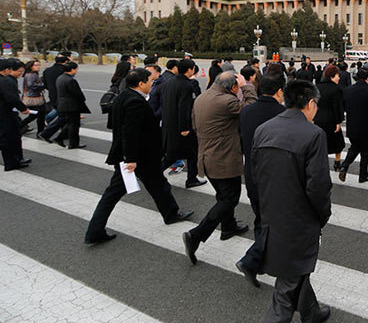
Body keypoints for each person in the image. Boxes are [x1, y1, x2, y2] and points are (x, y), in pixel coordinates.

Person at [239, 80, 333, 323]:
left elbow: (252, 175)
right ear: (309, 104)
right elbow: (318, 187)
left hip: (271, 217)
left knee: (295, 275)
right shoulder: (313, 134)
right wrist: (322, 216)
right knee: (282, 302)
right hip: (298, 224)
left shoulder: (264, 129)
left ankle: (312, 314)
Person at [84, 68, 194, 243]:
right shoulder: (135, 102)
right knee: (114, 193)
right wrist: (131, 159)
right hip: (138, 157)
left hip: (138, 156)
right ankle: (94, 231)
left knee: (158, 185)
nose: (152, 84)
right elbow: (130, 132)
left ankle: (171, 213)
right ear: (141, 83)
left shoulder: (123, 96)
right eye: (150, 81)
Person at [182, 72, 251, 264]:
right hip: (223, 158)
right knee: (229, 199)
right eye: (237, 87)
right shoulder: (227, 101)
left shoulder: (202, 98)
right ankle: (196, 235)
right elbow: (250, 110)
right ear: (232, 87)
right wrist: (247, 87)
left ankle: (228, 227)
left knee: (223, 196)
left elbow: (195, 126)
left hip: (206, 156)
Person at [236, 74, 287, 286]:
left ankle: (261, 260)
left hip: (251, 171)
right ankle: (252, 259)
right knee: (274, 221)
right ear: (278, 92)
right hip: (273, 175)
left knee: (260, 217)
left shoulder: (246, 111)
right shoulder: (283, 114)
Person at [161, 58, 206, 188]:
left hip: (169, 124)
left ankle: (191, 178)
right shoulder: (186, 85)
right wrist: (185, 127)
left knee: (173, 154)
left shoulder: (169, 82)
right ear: (189, 70)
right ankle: (191, 179)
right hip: (182, 126)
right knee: (190, 152)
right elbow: (184, 107)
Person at [339, 68, 368, 183]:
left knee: (355, 146)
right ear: (367, 78)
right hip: (366, 126)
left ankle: (344, 166)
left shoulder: (347, 90)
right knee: (365, 151)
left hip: (352, 125)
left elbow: (345, 107)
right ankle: (363, 175)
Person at [314, 64, 346, 171]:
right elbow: (337, 107)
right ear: (332, 77)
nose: (339, 78)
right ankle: (337, 162)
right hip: (331, 119)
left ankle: (322, 163)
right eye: (337, 76)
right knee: (338, 142)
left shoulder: (317, 87)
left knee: (321, 143)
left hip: (318, 118)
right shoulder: (336, 89)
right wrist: (338, 122)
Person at [55, 61, 89, 149]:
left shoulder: (60, 78)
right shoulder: (70, 80)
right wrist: (83, 99)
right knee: (74, 125)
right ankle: (73, 143)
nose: (77, 70)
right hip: (72, 105)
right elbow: (78, 93)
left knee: (70, 124)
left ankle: (60, 138)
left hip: (63, 104)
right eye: (76, 69)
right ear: (72, 69)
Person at [19, 59, 47, 134]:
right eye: (36, 65)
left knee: (39, 115)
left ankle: (41, 131)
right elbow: (32, 86)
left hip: (34, 97)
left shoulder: (31, 74)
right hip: (33, 98)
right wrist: (43, 86)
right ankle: (18, 127)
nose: (38, 67)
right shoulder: (31, 75)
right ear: (31, 67)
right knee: (36, 115)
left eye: (39, 65)